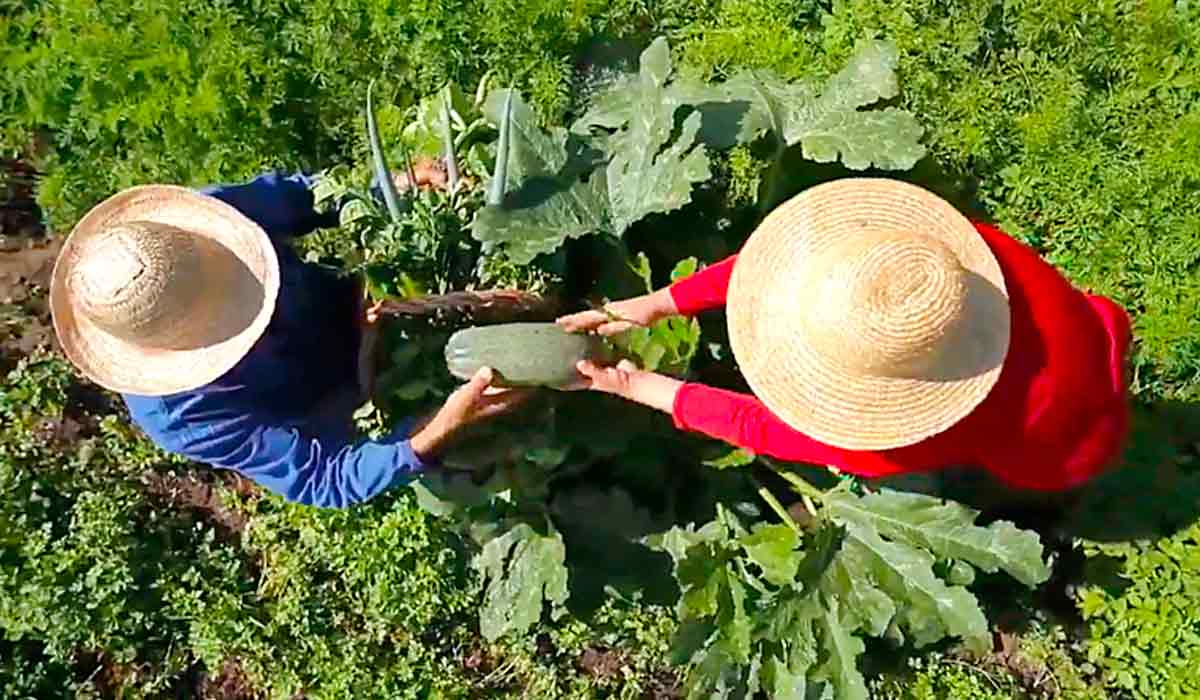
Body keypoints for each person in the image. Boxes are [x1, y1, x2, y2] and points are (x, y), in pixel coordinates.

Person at [559, 178, 1132, 498]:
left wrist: (635, 387)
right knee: (1073, 346)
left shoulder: (894, 444)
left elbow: (757, 426)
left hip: (1061, 434)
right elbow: (780, 264)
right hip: (1085, 330)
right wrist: (659, 303)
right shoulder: (956, 260)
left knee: (1017, 466)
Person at [49, 172, 527, 508]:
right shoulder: (181, 417)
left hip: (361, 301)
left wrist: (390, 190)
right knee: (474, 447)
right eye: (228, 333)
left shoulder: (199, 231)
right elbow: (325, 479)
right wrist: (436, 430)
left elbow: (308, 196)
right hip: (349, 396)